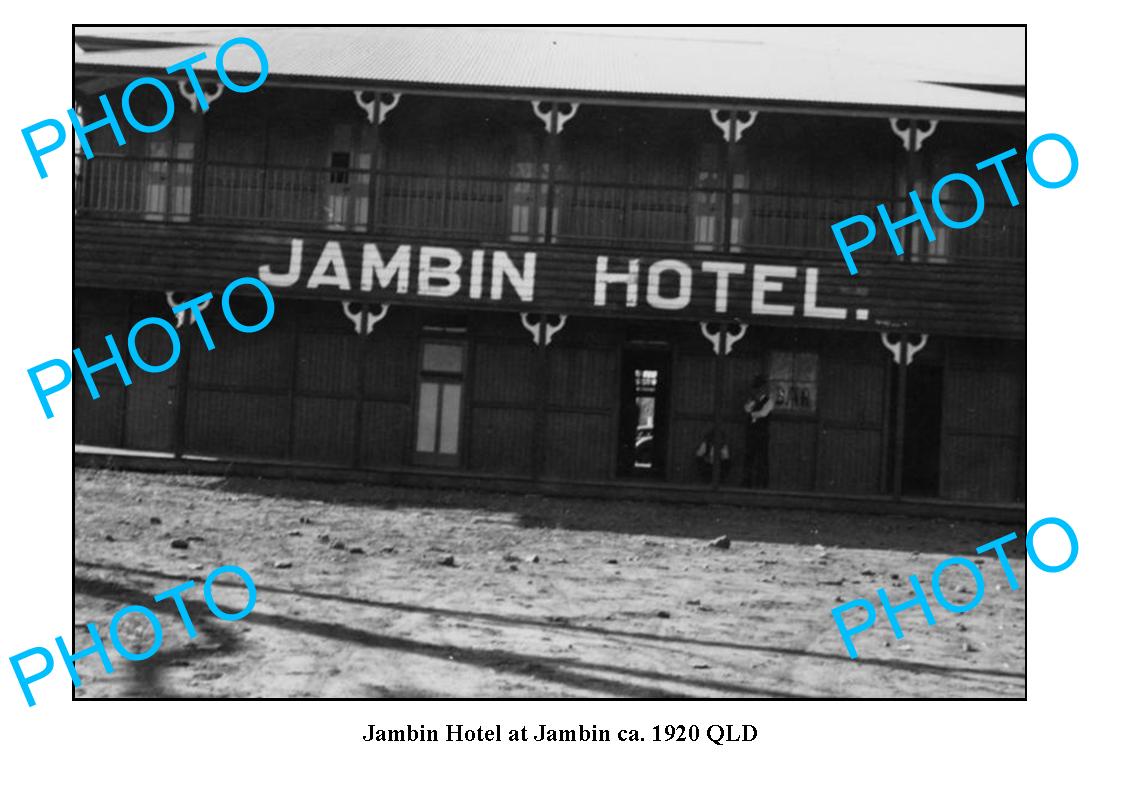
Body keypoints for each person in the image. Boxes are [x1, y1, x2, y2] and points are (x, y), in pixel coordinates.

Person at [742, 375, 774, 488]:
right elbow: (746, 408)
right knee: (749, 458)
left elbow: (763, 413)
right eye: (757, 388)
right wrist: (752, 404)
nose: (758, 391)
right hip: (752, 433)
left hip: (762, 434)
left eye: (760, 388)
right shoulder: (753, 400)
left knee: (762, 460)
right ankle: (747, 485)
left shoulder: (769, 401)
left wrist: (751, 414)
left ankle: (763, 486)